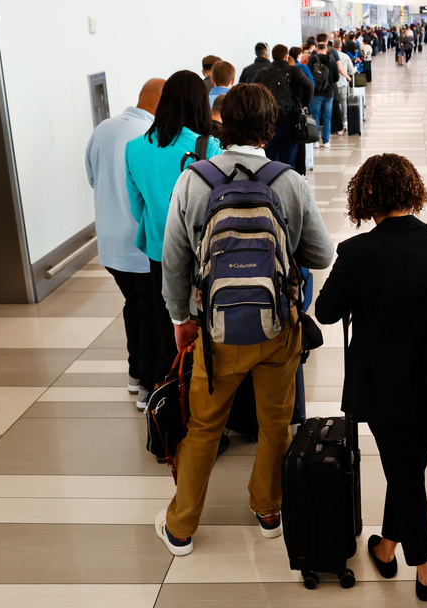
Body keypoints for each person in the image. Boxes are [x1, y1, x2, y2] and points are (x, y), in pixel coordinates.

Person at [157, 82, 334, 557]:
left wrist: (181, 318)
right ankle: (268, 508)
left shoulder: (193, 180)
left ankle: (181, 527)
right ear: (269, 128)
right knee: (275, 423)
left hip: (215, 334)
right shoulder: (289, 180)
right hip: (279, 328)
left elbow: (173, 260)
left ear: (221, 125)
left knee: (204, 427)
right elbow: (322, 252)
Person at [314, 153, 427, 602]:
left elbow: (326, 313)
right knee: (408, 467)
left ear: (366, 196)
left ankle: (424, 565)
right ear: (412, 190)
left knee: (404, 471)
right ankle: (386, 547)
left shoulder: (356, 252)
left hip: (381, 382)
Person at [125, 71, 222, 388]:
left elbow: (137, 207)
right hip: (201, 256)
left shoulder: (133, 148)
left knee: (167, 323)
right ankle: (201, 400)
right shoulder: (208, 148)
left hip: (158, 251)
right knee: (203, 330)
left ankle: (165, 391)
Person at [85, 78, 164, 409]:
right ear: (159, 104)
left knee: (134, 305)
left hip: (110, 244)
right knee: (152, 312)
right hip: (138, 242)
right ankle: (148, 385)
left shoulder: (103, 129)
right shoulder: (147, 138)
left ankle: (135, 375)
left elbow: (91, 177)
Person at [256, 44, 314, 167]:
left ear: (272, 57)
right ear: (286, 57)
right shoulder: (294, 71)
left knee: (269, 158)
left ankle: (271, 182)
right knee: (289, 158)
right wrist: (304, 104)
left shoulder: (263, 73)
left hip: (269, 121)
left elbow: (251, 90)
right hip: (291, 120)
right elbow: (309, 85)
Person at [308, 35, 339, 148]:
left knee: (315, 116)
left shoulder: (313, 59)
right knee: (327, 117)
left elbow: (308, 75)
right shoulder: (332, 60)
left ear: (317, 49)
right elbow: (336, 78)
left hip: (316, 93)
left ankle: (315, 140)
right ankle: (326, 141)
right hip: (329, 92)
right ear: (326, 49)